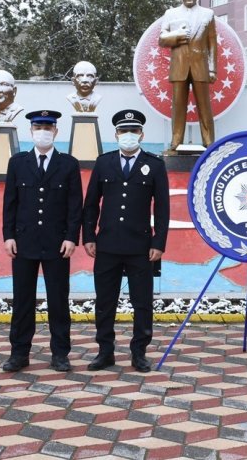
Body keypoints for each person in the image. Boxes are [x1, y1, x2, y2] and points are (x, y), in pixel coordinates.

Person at [83, 109, 170, 373]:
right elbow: (91, 204)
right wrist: (88, 236)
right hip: (107, 244)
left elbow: (163, 208)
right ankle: (105, 351)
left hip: (140, 247)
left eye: (133, 131)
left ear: (141, 134)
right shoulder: (104, 162)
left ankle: (139, 352)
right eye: (124, 131)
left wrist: (158, 242)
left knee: (142, 301)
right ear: (116, 134)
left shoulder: (155, 165)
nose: (128, 136)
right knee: (105, 301)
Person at [1, 110, 83, 373]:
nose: (43, 132)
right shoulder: (17, 163)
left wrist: (72, 237)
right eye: (38, 127)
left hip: (57, 243)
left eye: (48, 127)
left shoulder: (68, 164)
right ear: (31, 131)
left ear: (56, 131)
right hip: (24, 242)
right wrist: (8, 235)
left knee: (58, 300)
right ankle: (19, 353)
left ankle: (60, 353)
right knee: (22, 299)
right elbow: (9, 204)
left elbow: (75, 206)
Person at [159, 0, 217, 151]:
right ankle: (176, 141)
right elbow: (161, 39)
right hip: (179, 66)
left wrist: (213, 68)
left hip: (201, 66)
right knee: (177, 106)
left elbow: (212, 43)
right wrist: (177, 35)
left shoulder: (208, 14)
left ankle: (209, 142)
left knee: (205, 106)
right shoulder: (171, 13)